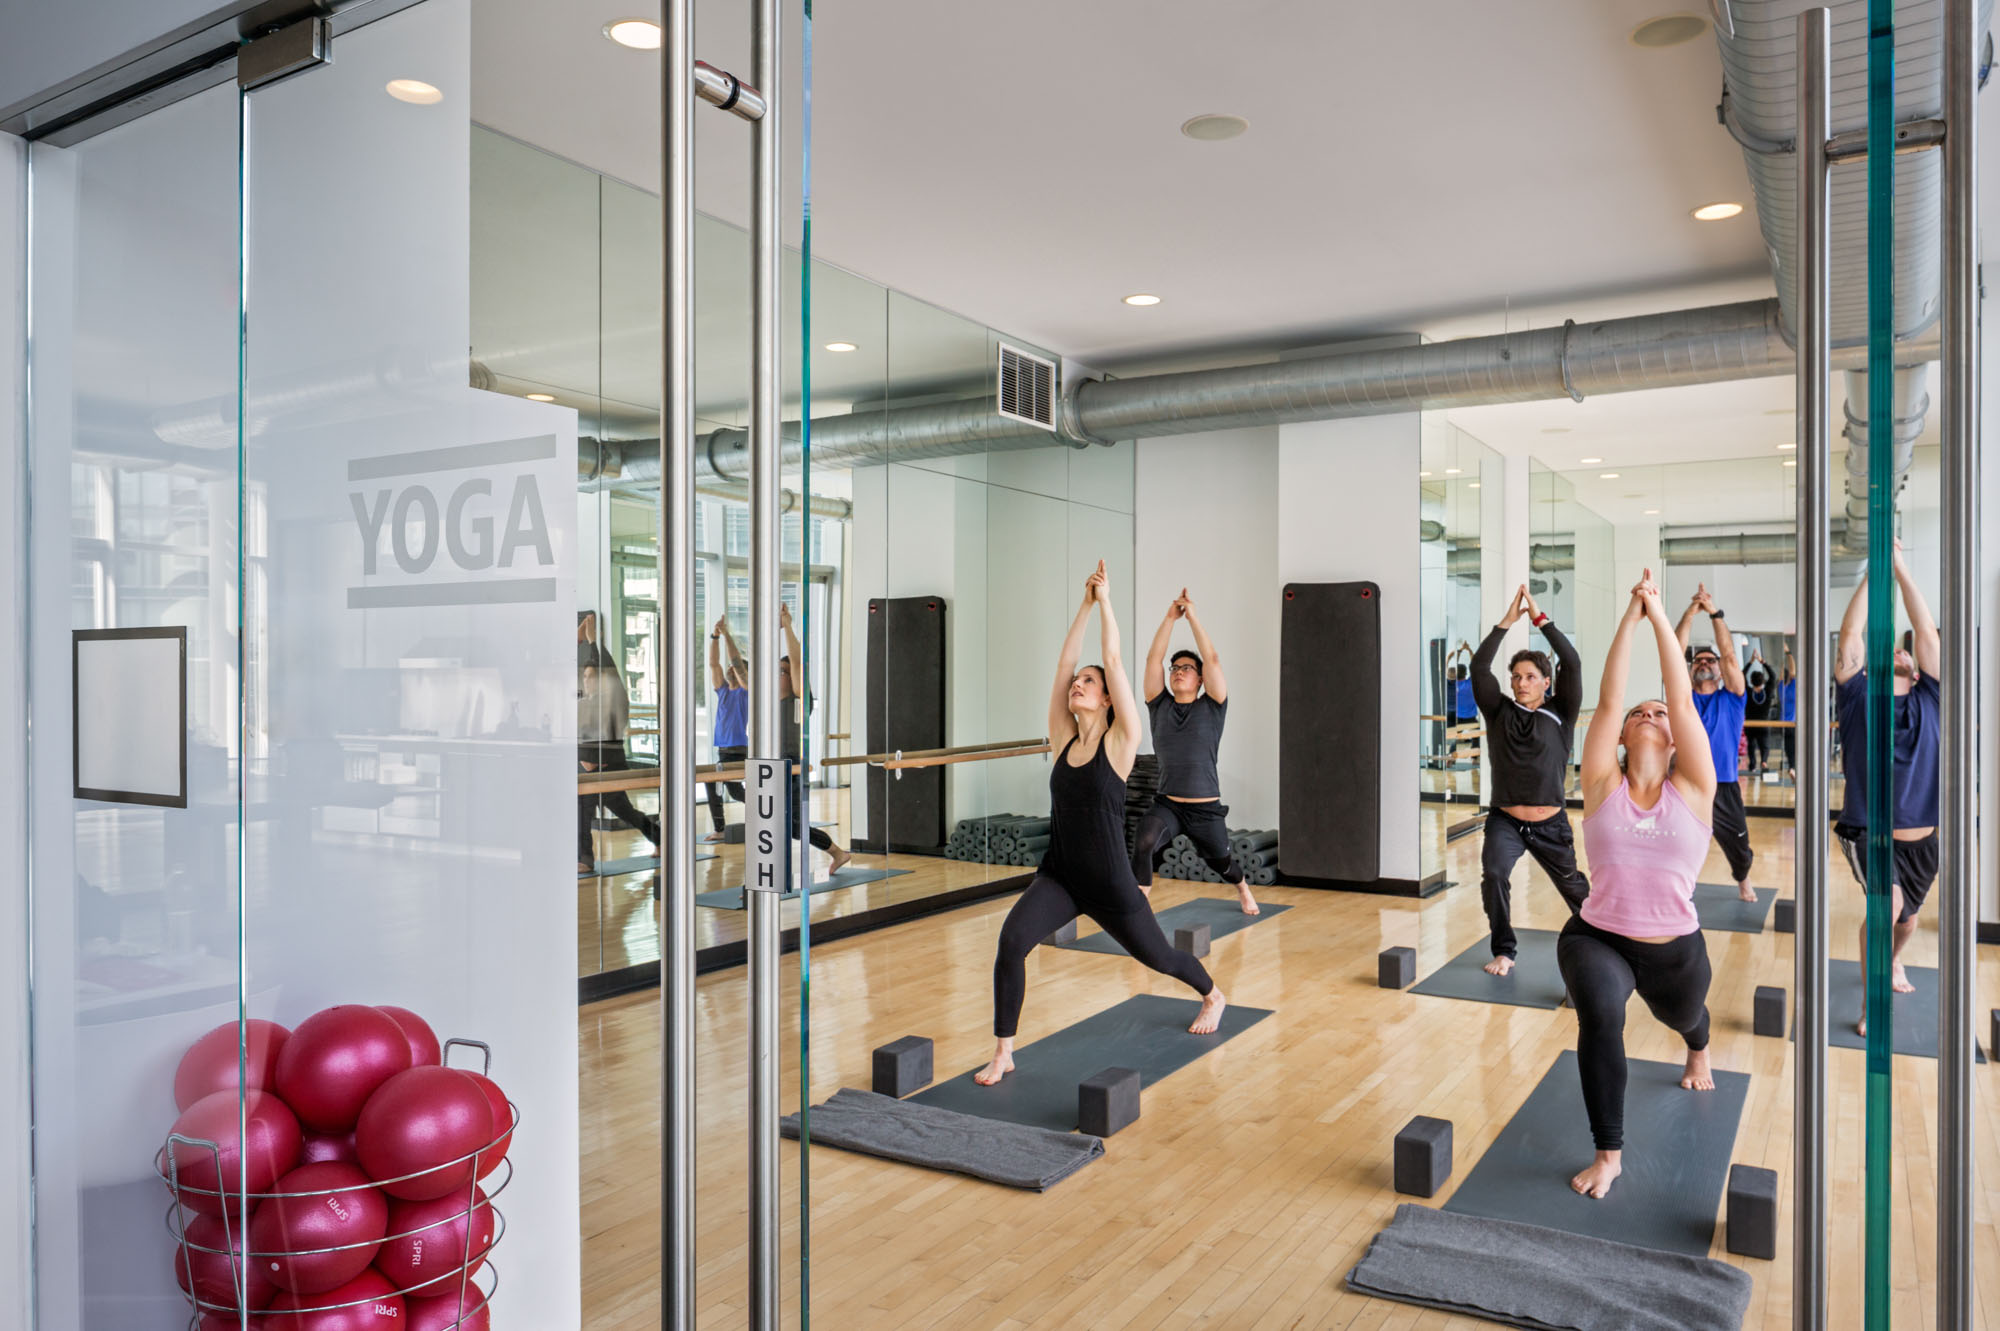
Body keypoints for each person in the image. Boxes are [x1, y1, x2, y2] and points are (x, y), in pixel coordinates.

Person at [975, 562, 1226, 1086]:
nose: (1078, 684)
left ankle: (1212, 994)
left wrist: (1106, 602)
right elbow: (1065, 662)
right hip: (1061, 877)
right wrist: (1084, 605)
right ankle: (1004, 1051)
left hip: (1112, 884)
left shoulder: (1120, 742)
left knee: (1161, 958)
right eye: (1078, 683)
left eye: (1089, 683)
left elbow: (1112, 660)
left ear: (1108, 697)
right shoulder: (1062, 739)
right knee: (1012, 941)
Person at [1561, 568, 1719, 1200]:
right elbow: (1608, 699)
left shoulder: (1695, 789)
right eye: (1638, 714)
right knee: (1600, 1015)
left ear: (1675, 735)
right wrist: (1630, 617)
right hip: (1597, 936)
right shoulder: (1602, 785)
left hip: (1674, 949)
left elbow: (1681, 699)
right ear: (1622, 737)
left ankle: (1698, 1047)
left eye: (1659, 713)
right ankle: (1609, 1153)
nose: (1650, 715)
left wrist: (1660, 617)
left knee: (1687, 1016)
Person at [1832, 540, 1940, 1032]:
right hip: (1869, 834)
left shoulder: (1931, 698)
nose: (1897, 650)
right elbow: (1850, 633)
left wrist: (1902, 570)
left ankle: (1894, 960)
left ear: (1914, 668)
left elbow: (1926, 632)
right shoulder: (1858, 696)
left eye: (1903, 649)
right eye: (1888, 649)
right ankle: (1871, 1006)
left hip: (1923, 842)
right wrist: (1877, 572)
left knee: (1907, 920)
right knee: (1887, 908)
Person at [1470, 585, 1590, 977]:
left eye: (1531, 677)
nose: (1522, 683)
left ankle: (1603, 945)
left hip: (1550, 825)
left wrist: (1541, 620)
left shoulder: (1561, 712)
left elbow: (1571, 661)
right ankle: (1504, 950)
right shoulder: (1498, 711)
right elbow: (1479, 669)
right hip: (1505, 820)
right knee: (1494, 875)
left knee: (1576, 891)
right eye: (1517, 677)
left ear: (1546, 682)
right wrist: (1506, 623)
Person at [1131, 588, 1259, 915]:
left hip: (1205, 809)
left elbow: (1212, 659)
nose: (1178, 671)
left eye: (1186, 667)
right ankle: (1138, 905)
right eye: (1175, 667)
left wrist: (1193, 618)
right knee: (1144, 840)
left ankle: (1242, 888)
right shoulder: (1159, 705)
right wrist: (1169, 618)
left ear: (1201, 679)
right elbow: (1152, 661)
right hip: (1168, 804)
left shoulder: (1212, 706)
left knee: (1222, 863)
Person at [1675, 584, 1755, 902]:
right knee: (1678, 838)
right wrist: (1690, 613)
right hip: (1686, 781)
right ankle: (1678, 886)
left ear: (1720, 672)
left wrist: (1714, 614)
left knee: (1739, 844)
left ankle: (1743, 879)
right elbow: (1674, 651)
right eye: (1698, 661)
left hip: (1724, 783)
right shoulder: (1684, 697)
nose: (1704, 663)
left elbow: (1731, 658)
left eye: (1710, 661)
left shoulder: (1732, 698)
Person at [577, 609, 660, 874]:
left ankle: (585, 859)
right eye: (585, 677)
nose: (587, 681)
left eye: (592, 677)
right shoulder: (582, 703)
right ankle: (658, 836)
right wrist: (576, 641)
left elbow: (610, 670)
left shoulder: (614, 700)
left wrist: (593, 641)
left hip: (609, 768)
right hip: (588, 771)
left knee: (618, 812)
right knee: (600, 812)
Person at [778, 602, 850, 879]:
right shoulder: (771, 703)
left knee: (794, 825)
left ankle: (837, 853)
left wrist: (787, 626)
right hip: (771, 766)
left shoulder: (799, 702)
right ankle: (837, 853)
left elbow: (798, 663)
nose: (777, 676)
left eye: (782, 672)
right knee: (782, 825)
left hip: (792, 766)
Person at [703, 617, 749, 842]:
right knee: (723, 786)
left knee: (732, 789)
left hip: (740, 750)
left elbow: (736, 661)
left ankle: (772, 810)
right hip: (723, 750)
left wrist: (727, 635)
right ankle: (720, 829)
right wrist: (715, 636)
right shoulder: (722, 690)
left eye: (735, 668)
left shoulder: (747, 691)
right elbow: (713, 664)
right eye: (729, 667)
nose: (730, 668)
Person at [1744, 651, 1775, 779]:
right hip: (1764, 723)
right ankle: (1764, 761)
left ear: (1751, 681)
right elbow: (1772, 676)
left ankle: (1752, 765)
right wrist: (1763, 662)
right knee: (1765, 745)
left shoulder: (1748, 692)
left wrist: (1751, 662)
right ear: (1763, 681)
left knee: (1751, 745)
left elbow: (1741, 675)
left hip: (1750, 723)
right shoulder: (1767, 692)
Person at [1780, 643, 1798, 781]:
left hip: (1783, 724)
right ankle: (1793, 768)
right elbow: (1793, 669)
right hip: (1793, 723)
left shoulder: (1781, 688)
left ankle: (1792, 767)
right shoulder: (1793, 687)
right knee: (1795, 747)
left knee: (1789, 747)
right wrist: (1788, 653)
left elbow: (1788, 672)